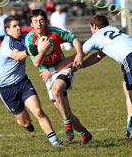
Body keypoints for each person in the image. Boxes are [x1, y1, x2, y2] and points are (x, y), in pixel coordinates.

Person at [25, 9, 92, 144]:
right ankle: (84, 134)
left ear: (46, 21)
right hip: (47, 75)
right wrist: (43, 49)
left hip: (63, 68)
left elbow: (73, 38)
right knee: (65, 111)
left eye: (41, 20)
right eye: (35, 21)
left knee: (57, 91)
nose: (39, 24)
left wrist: (79, 53)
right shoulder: (29, 40)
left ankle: (67, 126)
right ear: (31, 24)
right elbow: (36, 63)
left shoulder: (54, 32)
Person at [0, 16, 62, 146]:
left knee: (38, 111)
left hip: (23, 83)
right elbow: (16, 56)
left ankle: (55, 141)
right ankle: (25, 124)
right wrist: (28, 51)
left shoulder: (25, 37)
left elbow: (38, 37)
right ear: (7, 30)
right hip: (6, 89)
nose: (18, 28)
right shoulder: (6, 44)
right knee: (25, 122)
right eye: (14, 26)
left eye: (19, 25)